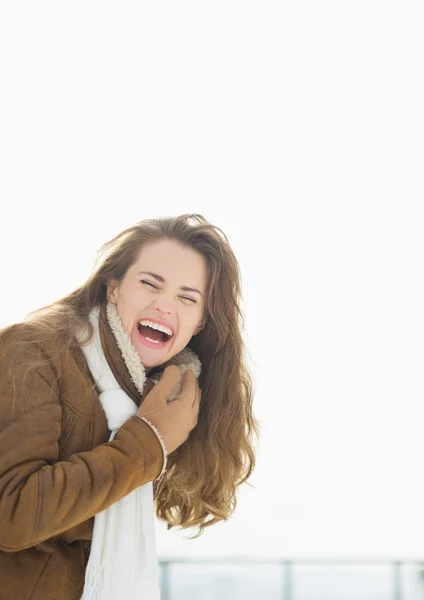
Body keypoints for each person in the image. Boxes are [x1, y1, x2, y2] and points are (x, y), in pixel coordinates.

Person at [0, 213, 259, 600]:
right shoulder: (34, 351)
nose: (164, 306)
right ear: (113, 288)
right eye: (149, 284)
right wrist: (147, 442)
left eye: (187, 298)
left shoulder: (164, 393)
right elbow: (12, 516)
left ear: (200, 322)